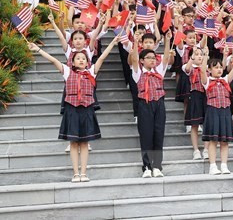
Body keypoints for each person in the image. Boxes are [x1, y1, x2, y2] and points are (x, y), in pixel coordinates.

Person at [28, 36, 119, 182]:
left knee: (84, 142)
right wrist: (37, 49)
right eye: (78, 58)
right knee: (73, 142)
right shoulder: (67, 72)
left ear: (87, 61)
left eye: (84, 58)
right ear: (73, 61)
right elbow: (53, 60)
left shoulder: (91, 72)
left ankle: (84, 173)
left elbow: (101, 58)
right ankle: (75, 173)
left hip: (87, 109)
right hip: (72, 109)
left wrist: (113, 43)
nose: (81, 60)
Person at [129, 31, 173, 178]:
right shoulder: (138, 72)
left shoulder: (159, 70)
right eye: (149, 58)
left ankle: (157, 166)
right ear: (142, 60)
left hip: (159, 104)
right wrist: (135, 43)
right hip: (144, 105)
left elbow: (166, 58)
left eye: (154, 58)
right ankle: (147, 166)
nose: (152, 60)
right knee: (146, 135)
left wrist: (167, 41)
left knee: (158, 134)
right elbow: (134, 59)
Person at [203, 51, 233, 175]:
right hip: (213, 111)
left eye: (220, 67)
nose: (219, 69)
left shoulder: (225, 79)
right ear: (209, 70)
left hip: (225, 111)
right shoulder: (207, 81)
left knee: (224, 141)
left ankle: (224, 165)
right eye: (215, 67)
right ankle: (212, 166)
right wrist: (205, 56)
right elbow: (201, 71)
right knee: (213, 140)